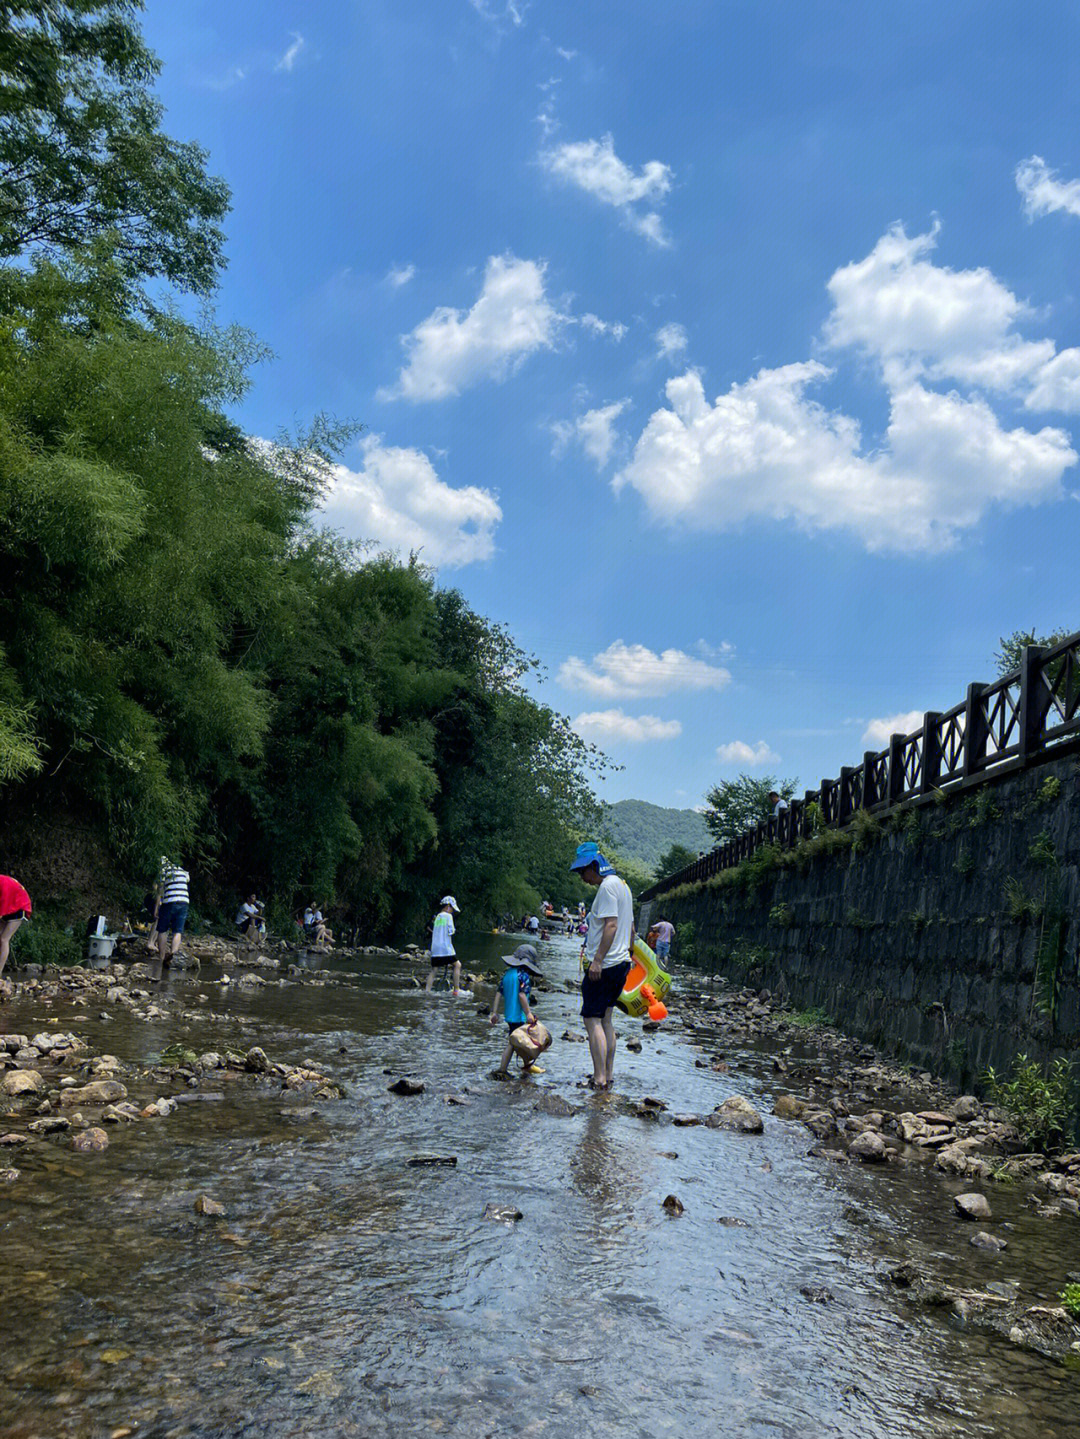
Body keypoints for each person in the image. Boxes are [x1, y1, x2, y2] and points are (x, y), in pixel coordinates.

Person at [569, 842, 635, 1091]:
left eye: (582, 871)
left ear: (594, 866)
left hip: (605, 965)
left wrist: (597, 960)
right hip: (620, 964)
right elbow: (630, 927)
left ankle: (598, 1079)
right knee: (606, 1019)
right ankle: (608, 1076)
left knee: (591, 1019)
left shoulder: (607, 888)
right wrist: (628, 953)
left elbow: (611, 926)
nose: (582, 877)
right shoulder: (623, 886)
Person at [488, 943, 544, 1076]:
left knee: (522, 1042)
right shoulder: (523, 976)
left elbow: (498, 994)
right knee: (514, 1043)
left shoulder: (507, 974)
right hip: (519, 1016)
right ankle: (504, 1069)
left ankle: (527, 1066)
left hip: (509, 1015)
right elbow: (521, 995)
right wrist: (528, 1013)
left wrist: (494, 1012)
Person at [152, 857, 189, 981]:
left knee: (162, 930)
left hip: (170, 902)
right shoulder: (182, 870)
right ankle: (173, 957)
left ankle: (162, 958)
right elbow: (187, 879)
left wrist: (157, 907)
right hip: (184, 902)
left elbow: (160, 891)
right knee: (177, 931)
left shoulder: (163, 871)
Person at [425, 895, 461, 995]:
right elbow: (451, 931)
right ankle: (456, 990)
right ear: (448, 906)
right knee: (457, 965)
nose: (453, 911)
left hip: (435, 948)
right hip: (445, 948)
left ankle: (427, 991)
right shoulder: (448, 916)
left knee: (434, 970)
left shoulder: (437, 917)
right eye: (452, 908)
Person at [0, 874, 31, 977]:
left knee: (4, 939)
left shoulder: (3, 883)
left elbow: (5, 900)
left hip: (19, 906)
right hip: (8, 905)